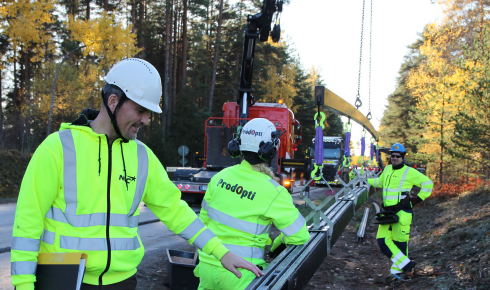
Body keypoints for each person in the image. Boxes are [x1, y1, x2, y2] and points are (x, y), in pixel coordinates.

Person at [11, 58, 262, 290]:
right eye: (140, 111)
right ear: (113, 102)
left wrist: (221, 252)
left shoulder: (142, 156)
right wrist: (23, 285)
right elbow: (27, 223)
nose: (146, 120)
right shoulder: (58, 148)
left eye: (148, 113)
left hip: (123, 282)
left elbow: (176, 212)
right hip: (64, 282)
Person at [195, 118, 311, 290]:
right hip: (242, 273)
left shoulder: (220, 177)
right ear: (271, 150)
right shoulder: (274, 191)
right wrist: (277, 243)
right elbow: (299, 236)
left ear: (238, 145)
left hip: (207, 266)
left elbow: (203, 221)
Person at [367, 143, 433, 279]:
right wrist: (365, 180)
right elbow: (379, 182)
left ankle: (398, 273)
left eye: (398, 156)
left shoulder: (409, 172)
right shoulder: (388, 170)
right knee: (382, 240)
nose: (395, 158)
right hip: (388, 213)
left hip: (402, 213)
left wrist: (416, 200)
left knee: (400, 244)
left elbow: (428, 184)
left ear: (402, 157)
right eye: (393, 156)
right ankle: (407, 265)